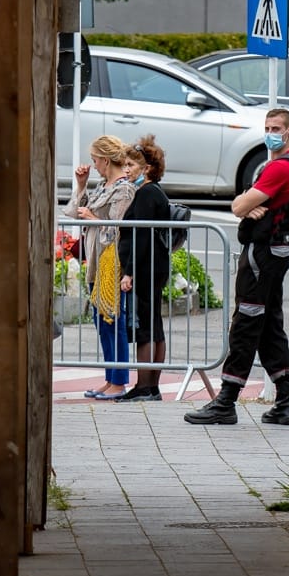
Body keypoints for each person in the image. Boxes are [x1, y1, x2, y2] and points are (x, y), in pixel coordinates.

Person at [185, 108, 289, 425]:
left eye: (277, 128)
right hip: (273, 252)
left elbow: (239, 205)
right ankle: (285, 402)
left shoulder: (279, 168)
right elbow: (243, 205)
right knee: (268, 325)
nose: (271, 133)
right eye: (267, 127)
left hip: (262, 255)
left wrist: (245, 204)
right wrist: (246, 204)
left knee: (246, 322)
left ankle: (226, 401)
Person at [65, 135, 135, 400]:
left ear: (106, 160)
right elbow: (74, 211)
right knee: (101, 321)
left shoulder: (124, 190)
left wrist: (93, 218)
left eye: (95, 160)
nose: (93, 165)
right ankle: (110, 378)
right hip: (97, 260)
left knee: (113, 320)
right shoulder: (102, 186)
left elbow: (118, 229)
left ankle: (119, 381)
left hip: (111, 261)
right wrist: (81, 185)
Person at [113, 136, 171, 402]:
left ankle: (145, 386)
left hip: (146, 268)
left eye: (130, 165)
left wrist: (130, 271)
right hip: (153, 266)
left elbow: (142, 236)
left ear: (146, 168)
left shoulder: (147, 193)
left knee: (145, 326)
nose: (126, 170)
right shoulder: (153, 191)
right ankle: (151, 386)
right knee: (154, 325)